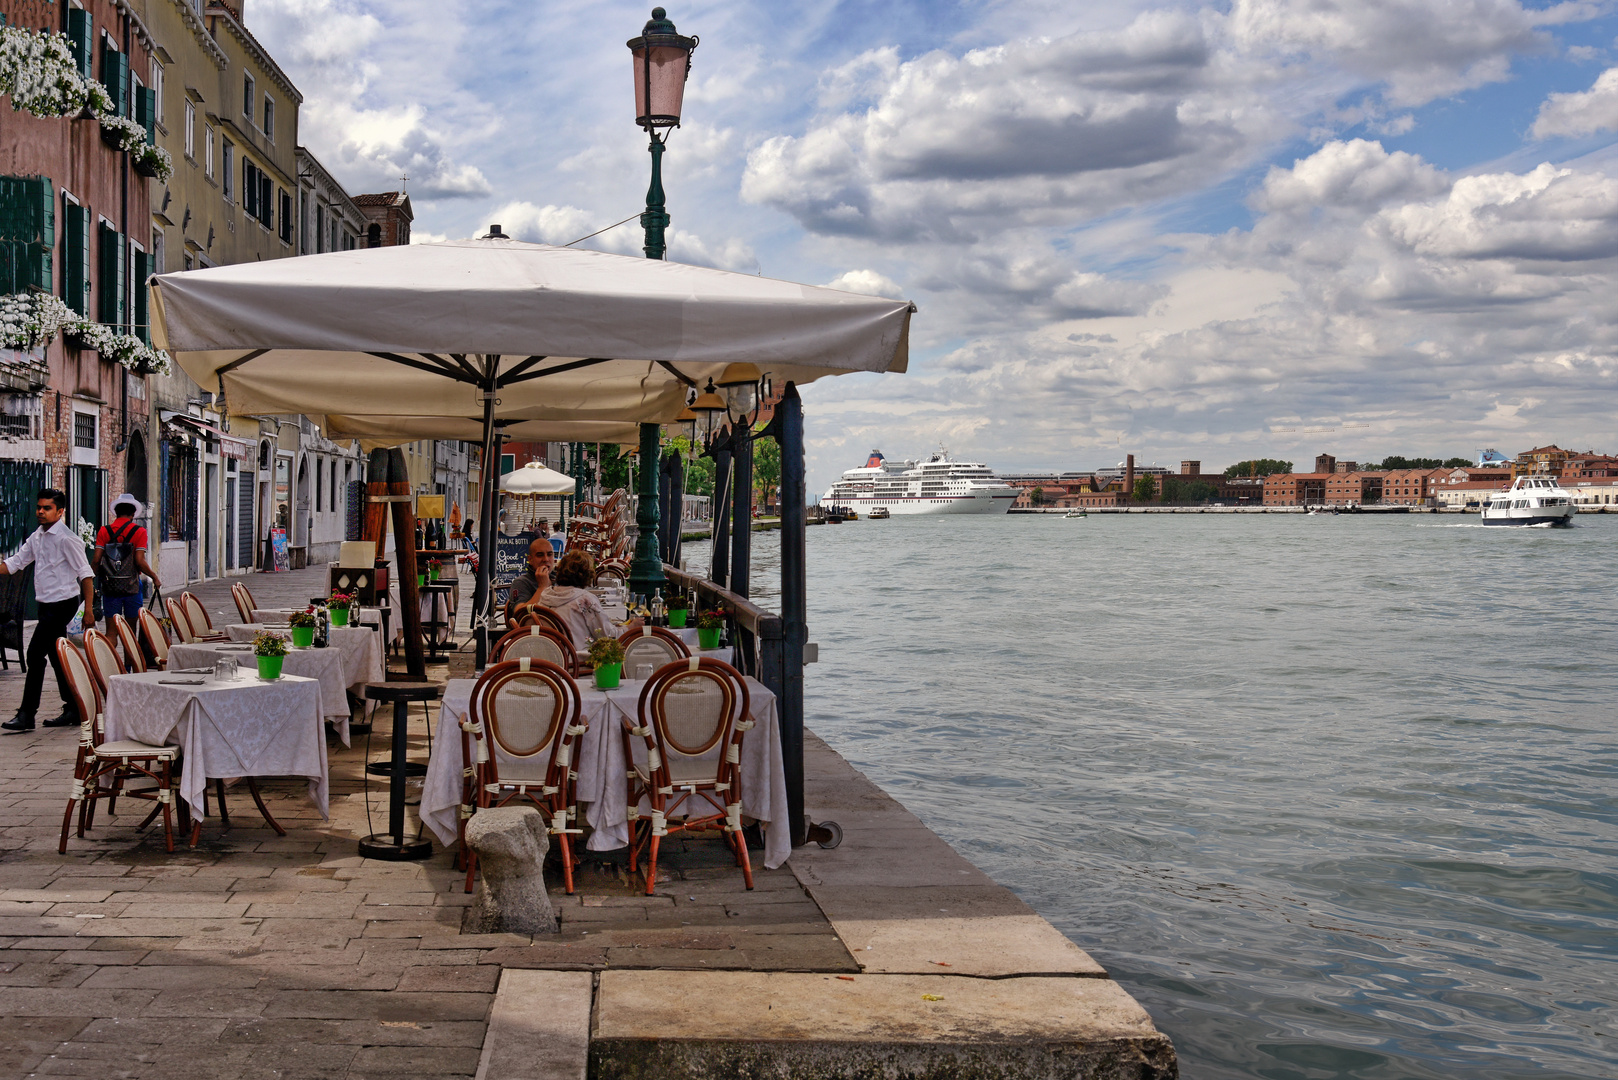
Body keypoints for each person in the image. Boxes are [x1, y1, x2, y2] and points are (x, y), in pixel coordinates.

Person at [1, 490, 96, 732]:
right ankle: (74, 708)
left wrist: (88, 611)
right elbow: (16, 563)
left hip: (62, 604)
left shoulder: (66, 539)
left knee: (34, 655)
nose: (40, 512)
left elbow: (85, 575)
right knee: (55, 656)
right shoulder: (38, 536)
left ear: (60, 511)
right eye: (39, 507)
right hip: (45, 605)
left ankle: (26, 714)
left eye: (47, 508)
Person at [92, 495, 161, 633]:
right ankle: (130, 654)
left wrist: (91, 582)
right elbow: (139, 561)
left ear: (116, 513)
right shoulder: (139, 532)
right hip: (132, 586)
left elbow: (96, 560)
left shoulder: (104, 531)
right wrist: (154, 577)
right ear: (133, 513)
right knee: (131, 632)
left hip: (110, 586)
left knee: (111, 632)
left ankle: (110, 655)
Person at [539, 549, 617, 650]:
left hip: (550, 658)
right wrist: (630, 628)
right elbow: (607, 635)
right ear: (587, 575)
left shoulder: (545, 596)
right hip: (577, 660)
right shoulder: (585, 600)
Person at [503, 537, 555, 625]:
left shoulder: (560, 579)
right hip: (535, 633)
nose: (546, 559)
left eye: (549, 554)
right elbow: (519, 613)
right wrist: (542, 587)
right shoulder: (521, 582)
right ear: (530, 559)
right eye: (540, 555)